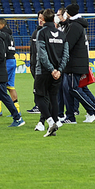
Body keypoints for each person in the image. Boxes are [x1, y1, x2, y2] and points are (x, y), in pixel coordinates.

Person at [60, 4, 95, 124]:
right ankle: (70, 116)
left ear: (68, 13)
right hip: (72, 63)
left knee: (74, 88)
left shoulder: (75, 26)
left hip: (75, 63)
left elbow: (68, 44)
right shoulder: (73, 24)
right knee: (69, 89)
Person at [33, 9, 70, 137]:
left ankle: (50, 122)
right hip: (57, 73)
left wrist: (52, 69)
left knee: (39, 97)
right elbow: (66, 54)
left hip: (43, 71)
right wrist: (59, 70)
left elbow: (42, 54)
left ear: (43, 19)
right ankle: (54, 126)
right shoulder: (62, 34)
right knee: (53, 97)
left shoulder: (41, 33)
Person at [0, 18, 20, 117]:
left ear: (2, 25)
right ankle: (17, 110)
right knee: (10, 86)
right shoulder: (10, 35)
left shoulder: (1, 35)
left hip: (6, 61)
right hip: (12, 60)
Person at [26, 11, 44, 118]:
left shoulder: (48, 33)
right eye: (39, 18)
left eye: (42, 18)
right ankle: (38, 105)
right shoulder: (35, 33)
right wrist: (31, 63)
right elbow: (32, 50)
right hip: (34, 65)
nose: (40, 20)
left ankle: (40, 106)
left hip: (43, 66)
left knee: (40, 87)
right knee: (37, 86)